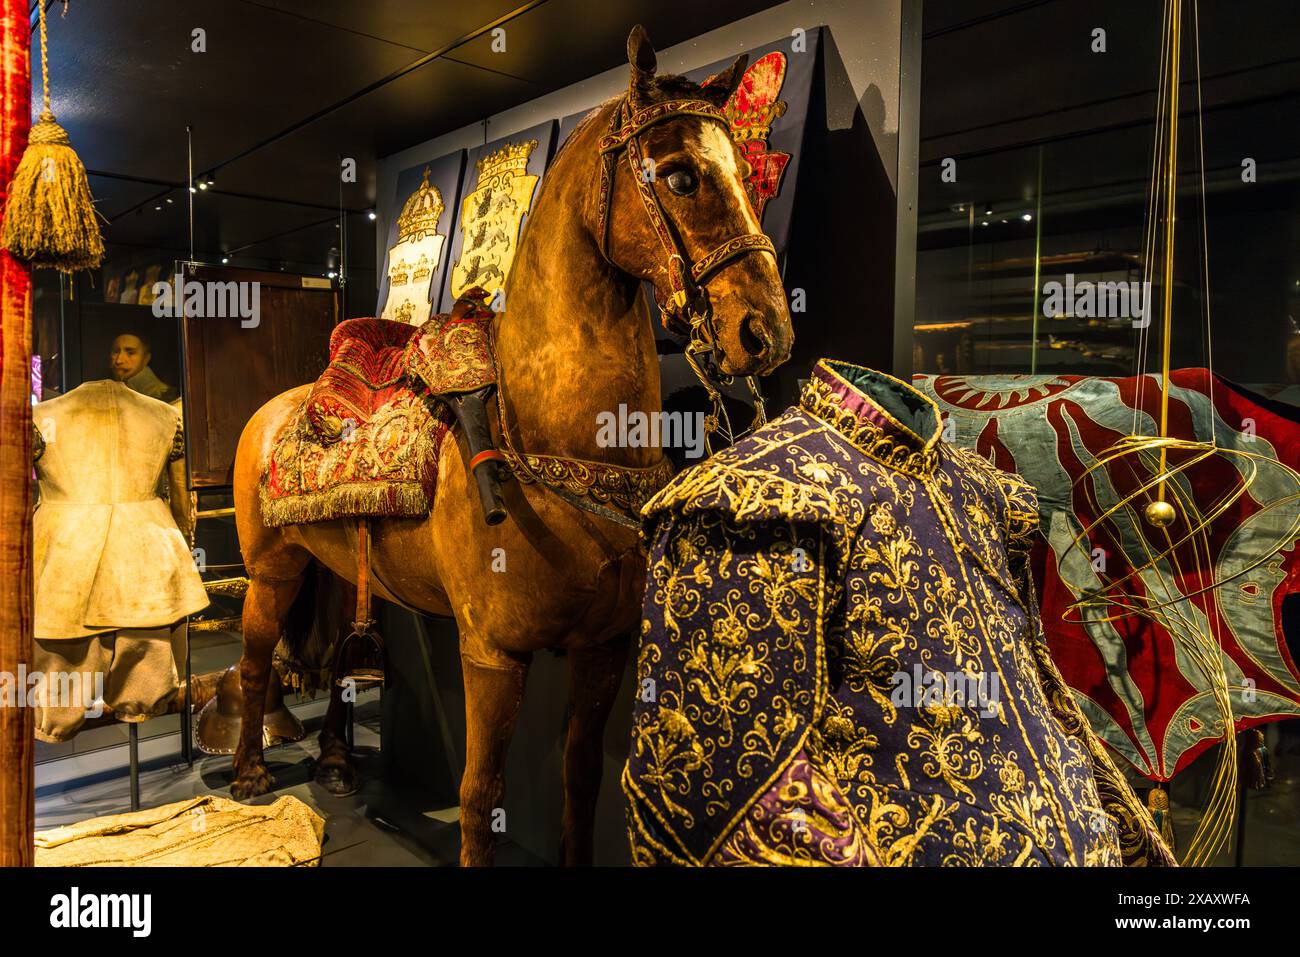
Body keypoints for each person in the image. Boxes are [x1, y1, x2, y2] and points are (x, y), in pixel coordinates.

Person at [110, 332, 177, 402]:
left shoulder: (168, 397)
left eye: (130, 353)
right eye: (116, 352)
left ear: (146, 358)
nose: (118, 361)